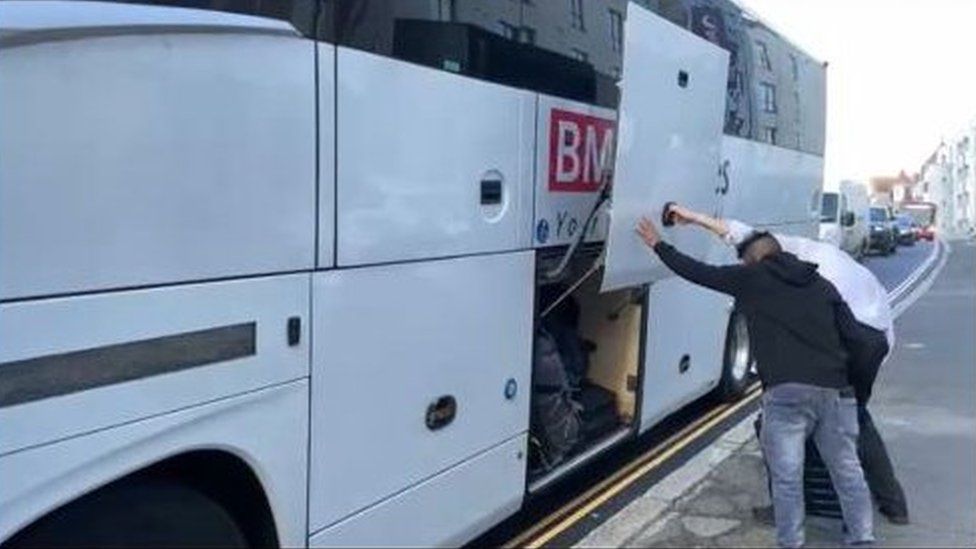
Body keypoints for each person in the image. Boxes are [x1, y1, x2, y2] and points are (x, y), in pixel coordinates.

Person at [635, 215, 874, 548]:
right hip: (834, 391)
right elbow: (858, 341)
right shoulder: (821, 284)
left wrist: (658, 244)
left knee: (787, 478)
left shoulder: (753, 278)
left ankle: (791, 543)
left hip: (786, 394)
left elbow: (699, 272)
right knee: (847, 472)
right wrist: (852, 391)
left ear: (754, 258)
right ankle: (862, 539)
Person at [665, 203, 909, 525]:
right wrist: (693, 217)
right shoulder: (791, 251)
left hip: (859, 335)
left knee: (784, 424)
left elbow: (832, 334)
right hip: (876, 333)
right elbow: (735, 230)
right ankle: (894, 505)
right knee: (853, 419)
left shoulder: (807, 275)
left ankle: (791, 510)